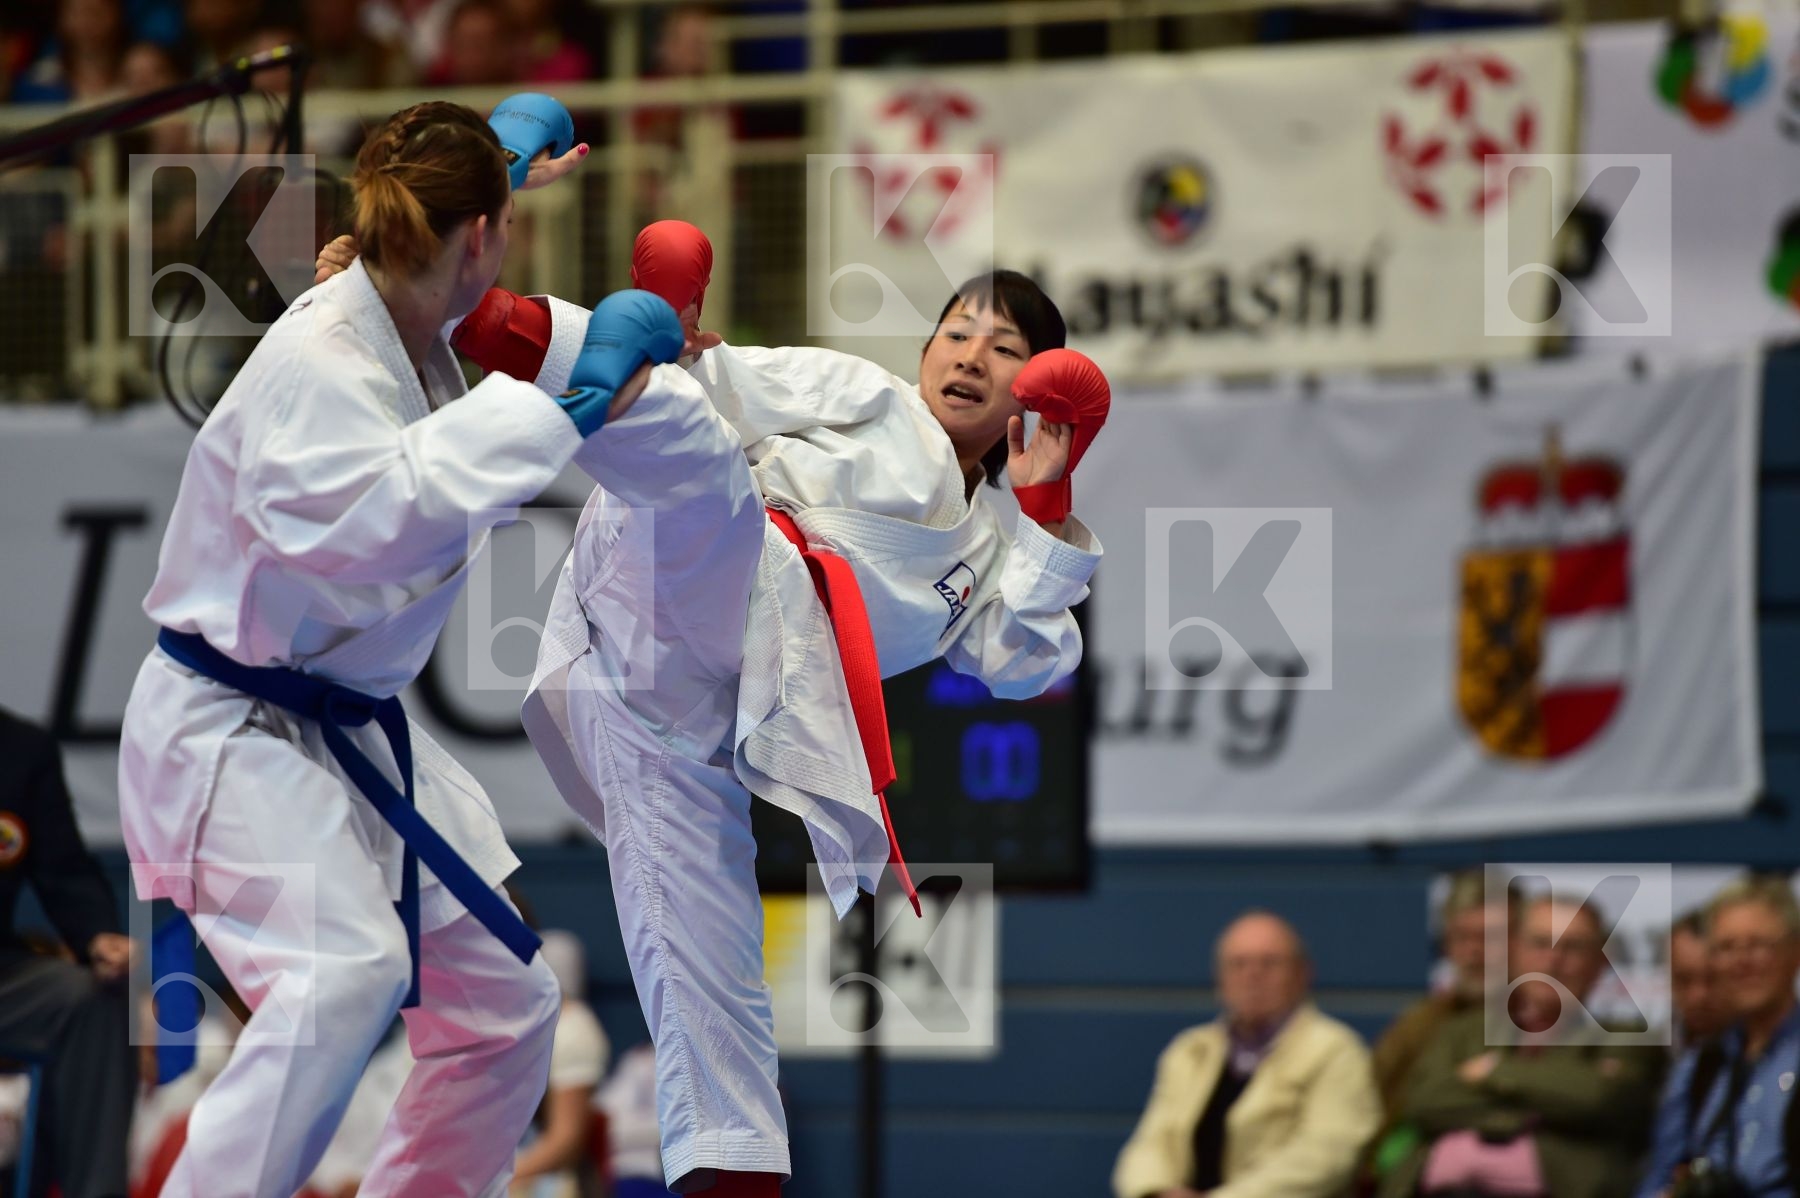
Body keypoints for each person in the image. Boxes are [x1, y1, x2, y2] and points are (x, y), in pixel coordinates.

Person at [311, 219, 1110, 1195]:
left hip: (680, 718)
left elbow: (1023, 662)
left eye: (1007, 346)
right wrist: (686, 342)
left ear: (1036, 398)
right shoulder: (864, 395)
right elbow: (728, 384)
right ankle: (446, 302)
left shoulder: (992, 547)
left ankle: (732, 1177)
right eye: (957, 329)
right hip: (688, 555)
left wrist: (1042, 502)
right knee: (684, 430)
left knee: (712, 983)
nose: (972, 354)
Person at [114, 95, 678, 1198]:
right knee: (342, 973)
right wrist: (574, 401)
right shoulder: (324, 364)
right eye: (504, 222)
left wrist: (498, 164)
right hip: (229, 732)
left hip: (336, 729)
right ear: (479, 239)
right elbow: (399, 503)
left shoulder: (384, 306)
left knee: (505, 1007)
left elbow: (415, 266)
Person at [1383, 893, 1663, 1198]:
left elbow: (1596, 1099)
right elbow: (1426, 1101)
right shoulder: (1463, 1032)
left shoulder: (1626, 1039)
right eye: (1541, 943)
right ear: (1515, 952)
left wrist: (1494, 1072)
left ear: (1598, 963)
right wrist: (1541, 1112)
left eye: (1573, 947)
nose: (1554, 960)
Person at [1112, 911, 1380, 1198]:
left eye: (1270, 963)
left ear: (1303, 974)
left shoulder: (1336, 1050)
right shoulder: (1190, 1050)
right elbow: (1152, 1142)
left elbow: (1327, 1156)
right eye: (1238, 964)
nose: (1252, 975)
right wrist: (1158, 1191)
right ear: (1220, 978)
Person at [0, 707, 137, 1198]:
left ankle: (96, 1190)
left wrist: (99, 935)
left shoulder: (21, 749)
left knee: (96, 998)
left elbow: (65, 871)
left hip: (6, 979)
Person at [1638, 876, 1800, 1198]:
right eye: (1726, 948)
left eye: (1758, 945)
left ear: (1795, 950)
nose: (1742, 962)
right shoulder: (1702, 1065)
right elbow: (1660, 1174)